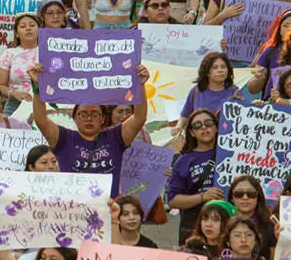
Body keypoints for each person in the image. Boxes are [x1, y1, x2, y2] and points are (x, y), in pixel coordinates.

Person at [29, 63, 150, 196]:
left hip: (109, 210)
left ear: (103, 118)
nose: (89, 119)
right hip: (73, 210)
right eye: (83, 114)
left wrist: (140, 86)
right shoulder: (64, 138)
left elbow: (139, 118)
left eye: (94, 114)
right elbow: (40, 120)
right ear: (75, 117)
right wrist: (37, 88)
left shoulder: (115, 137)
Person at [174, 53, 241, 134]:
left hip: (225, 141)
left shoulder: (235, 92)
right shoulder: (196, 91)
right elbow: (184, 115)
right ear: (207, 72)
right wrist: (178, 127)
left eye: (223, 67)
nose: (220, 70)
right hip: (200, 143)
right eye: (215, 67)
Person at [228, 175, 278, 257]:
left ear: (258, 197)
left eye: (251, 194)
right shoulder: (223, 221)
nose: (245, 198)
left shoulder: (271, 224)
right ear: (232, 198)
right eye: (239, 194)